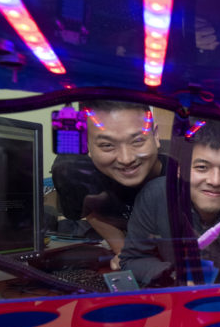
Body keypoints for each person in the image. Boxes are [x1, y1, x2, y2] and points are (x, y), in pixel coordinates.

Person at [120, 120, 220, 286]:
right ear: (180, 168)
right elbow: (131, 260)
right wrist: (174, 275)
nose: (215, 181)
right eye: (202, 167)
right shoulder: (156, 197)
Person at [51, 100, 166, 270]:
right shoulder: (72, 171)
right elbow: (93, 212)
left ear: (155, 136)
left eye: (138, 141)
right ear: (86, 144)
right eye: (107, 145)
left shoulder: (186, 176)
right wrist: (125, 253)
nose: (126, 159)